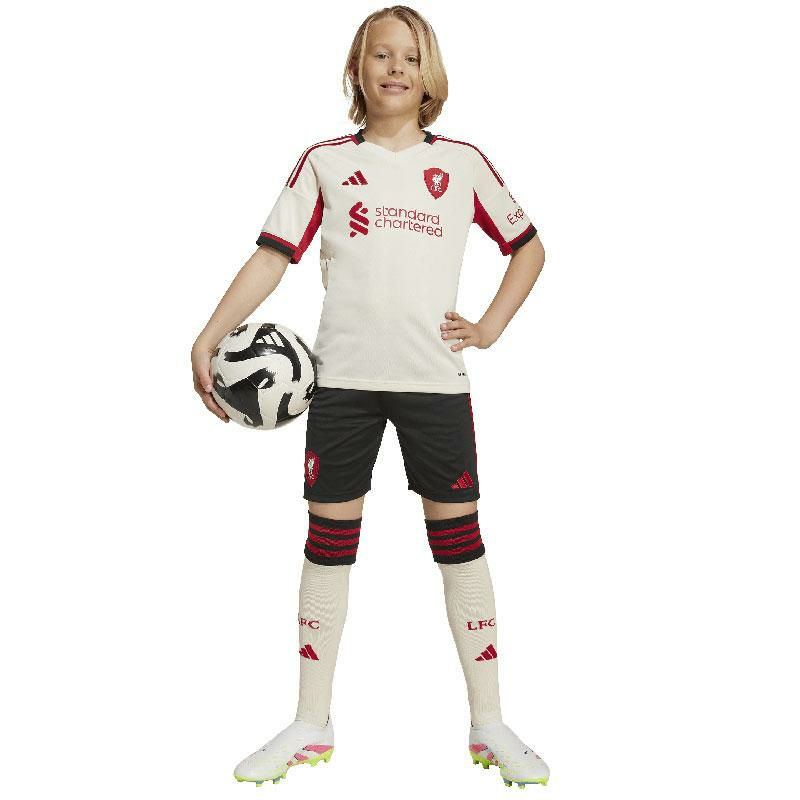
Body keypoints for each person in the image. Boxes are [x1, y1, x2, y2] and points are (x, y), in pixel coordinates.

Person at [191, 4, 548, 789]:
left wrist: (488, 326)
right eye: (381, 55)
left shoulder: (463, 164)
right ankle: (310, 722)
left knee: (460, 543)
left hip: (434, 384)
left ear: (430, 75)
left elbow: (528, 248)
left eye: (410, 58)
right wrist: (209, 335)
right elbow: (271, 256)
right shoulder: (324, 161)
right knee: (328, 543)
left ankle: (489, 722)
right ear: (357, 68)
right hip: (343, 385)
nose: (395, 68)